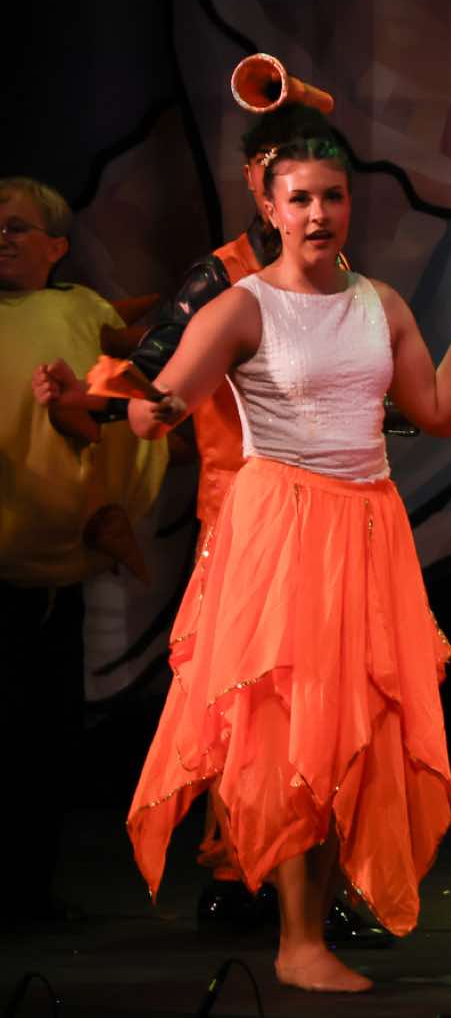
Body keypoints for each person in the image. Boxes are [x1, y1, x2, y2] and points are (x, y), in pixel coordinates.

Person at [125, 134, 451, 993]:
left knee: (353, 727)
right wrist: (148, 406)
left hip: (367, 524)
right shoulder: (244, 307)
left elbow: (437, 410)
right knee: (294, 725)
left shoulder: (380, 302)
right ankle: (296, 940)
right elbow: (163, 402)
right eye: (299, 198)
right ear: (270, 207)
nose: (318, 213)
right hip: (283, 527)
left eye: (333, 196)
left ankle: (314, 927)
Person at [32, 103, 390, 940]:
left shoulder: (341, 274)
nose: (312, 206)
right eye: (285, 176)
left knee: (338, 698)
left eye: (326, 188)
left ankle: (327, 877)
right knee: (249, 700)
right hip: (250, 512)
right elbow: (156, 375)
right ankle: (241, 871)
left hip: (338, 515)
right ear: (259, 185)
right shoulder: (225, 278)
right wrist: (94, 400)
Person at [1, 177, 168, 924]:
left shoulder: (80, 310)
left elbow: (121, 394)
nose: (2, 237)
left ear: (56, 246)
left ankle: (29, 891)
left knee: (45, 736)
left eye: (17, 227)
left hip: (55, 572)